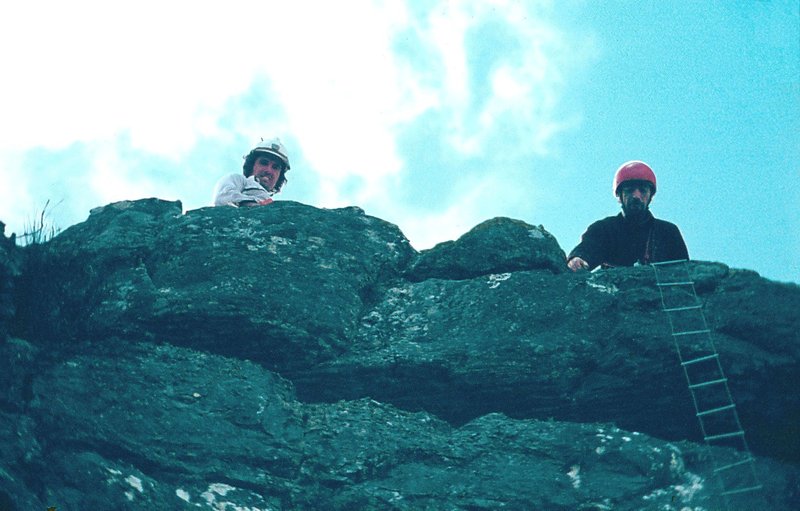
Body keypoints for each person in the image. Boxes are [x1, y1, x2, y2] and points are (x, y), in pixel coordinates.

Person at [567, 160, 688, 271]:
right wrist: (578, 259)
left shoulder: (668, 232)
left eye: (643, 190)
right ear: (620, 196)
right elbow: (589, 248)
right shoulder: (604, 229)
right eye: (629, 190)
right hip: (614, 288)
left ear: (650, 196)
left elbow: (685, 273)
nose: (636, 196)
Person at [213, 138, 291, 207]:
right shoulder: (238, 180)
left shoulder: (273, 206)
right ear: (252, 165)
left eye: (275, 167)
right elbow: (223, 198)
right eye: (264, 163)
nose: (269, 170)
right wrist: (253, 205)